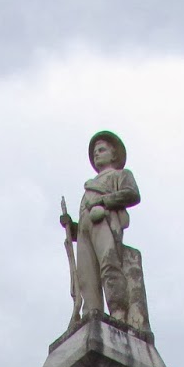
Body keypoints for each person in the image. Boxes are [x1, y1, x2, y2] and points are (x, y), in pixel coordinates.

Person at [60, 131, 140, 321]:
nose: (97, 154)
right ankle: (91, 313)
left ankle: (118, 312)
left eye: (102, 150)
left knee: (109, 265)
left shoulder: (120, 175)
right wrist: (72, 227)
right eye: (95, 151)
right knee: (86, 276)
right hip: (85, 231)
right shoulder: (89, 187)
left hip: (104, 221)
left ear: (113, 155)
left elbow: (132, 194)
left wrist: (105, 200)